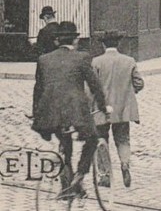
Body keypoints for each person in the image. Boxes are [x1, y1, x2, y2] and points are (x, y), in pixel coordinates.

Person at [32, 21, 111, 200]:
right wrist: (103, 106)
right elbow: (95, 85)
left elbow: (38, 90)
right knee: (92, 139)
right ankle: (80, 175)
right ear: (75, 40)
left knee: (64, 146)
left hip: (50, 111)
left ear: (56, 41)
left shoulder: (43, 60)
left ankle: (67, 188)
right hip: (75, 110)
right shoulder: (82, 57)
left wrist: (37, 115)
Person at [92, 30, 144, 187]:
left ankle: (105, 175)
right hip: (123, 109)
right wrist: (129, 92)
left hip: (102, 109)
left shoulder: (96, 62)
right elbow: (139, 83)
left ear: (103, 44)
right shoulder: (129, 61)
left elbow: (91, 88)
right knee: (123, 139)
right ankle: (125, 164)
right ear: (118, 44)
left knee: (101, 139)